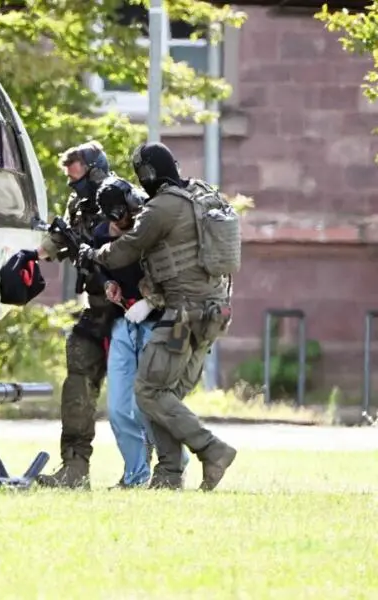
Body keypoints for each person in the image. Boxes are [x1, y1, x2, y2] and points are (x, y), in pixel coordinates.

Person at [79, 141, 239, 491]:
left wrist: (94, 253)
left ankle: (212, 450)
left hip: (184, 314)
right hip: (214, 312)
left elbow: (128, 248)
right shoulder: (201, 193)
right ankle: (168, 474)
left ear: (148, 174)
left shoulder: (163, 207)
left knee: (148, 391)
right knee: (162, 394)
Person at [93, 176, 189, 489]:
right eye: (117, 216)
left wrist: (149, 303)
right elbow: (99, 269)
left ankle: (174, 462)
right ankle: (135, 476)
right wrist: (107, 284)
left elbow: (175, 276)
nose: (125, 221)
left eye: (128, 212)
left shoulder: (152, 226)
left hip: (158, 322)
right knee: (119, 409)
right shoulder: (101, 235)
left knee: (146, 403)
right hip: (122, 323)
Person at [32, 140, 115, 489]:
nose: (72, 184)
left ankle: (160, 469)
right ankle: (74, 468)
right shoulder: (77, 205)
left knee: (140, 397)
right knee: (77, 384)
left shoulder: (123, 200)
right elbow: (58, 240)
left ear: (95, 170)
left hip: (129, 310)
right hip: (96, 308)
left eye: (77, 176)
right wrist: (31, 256)